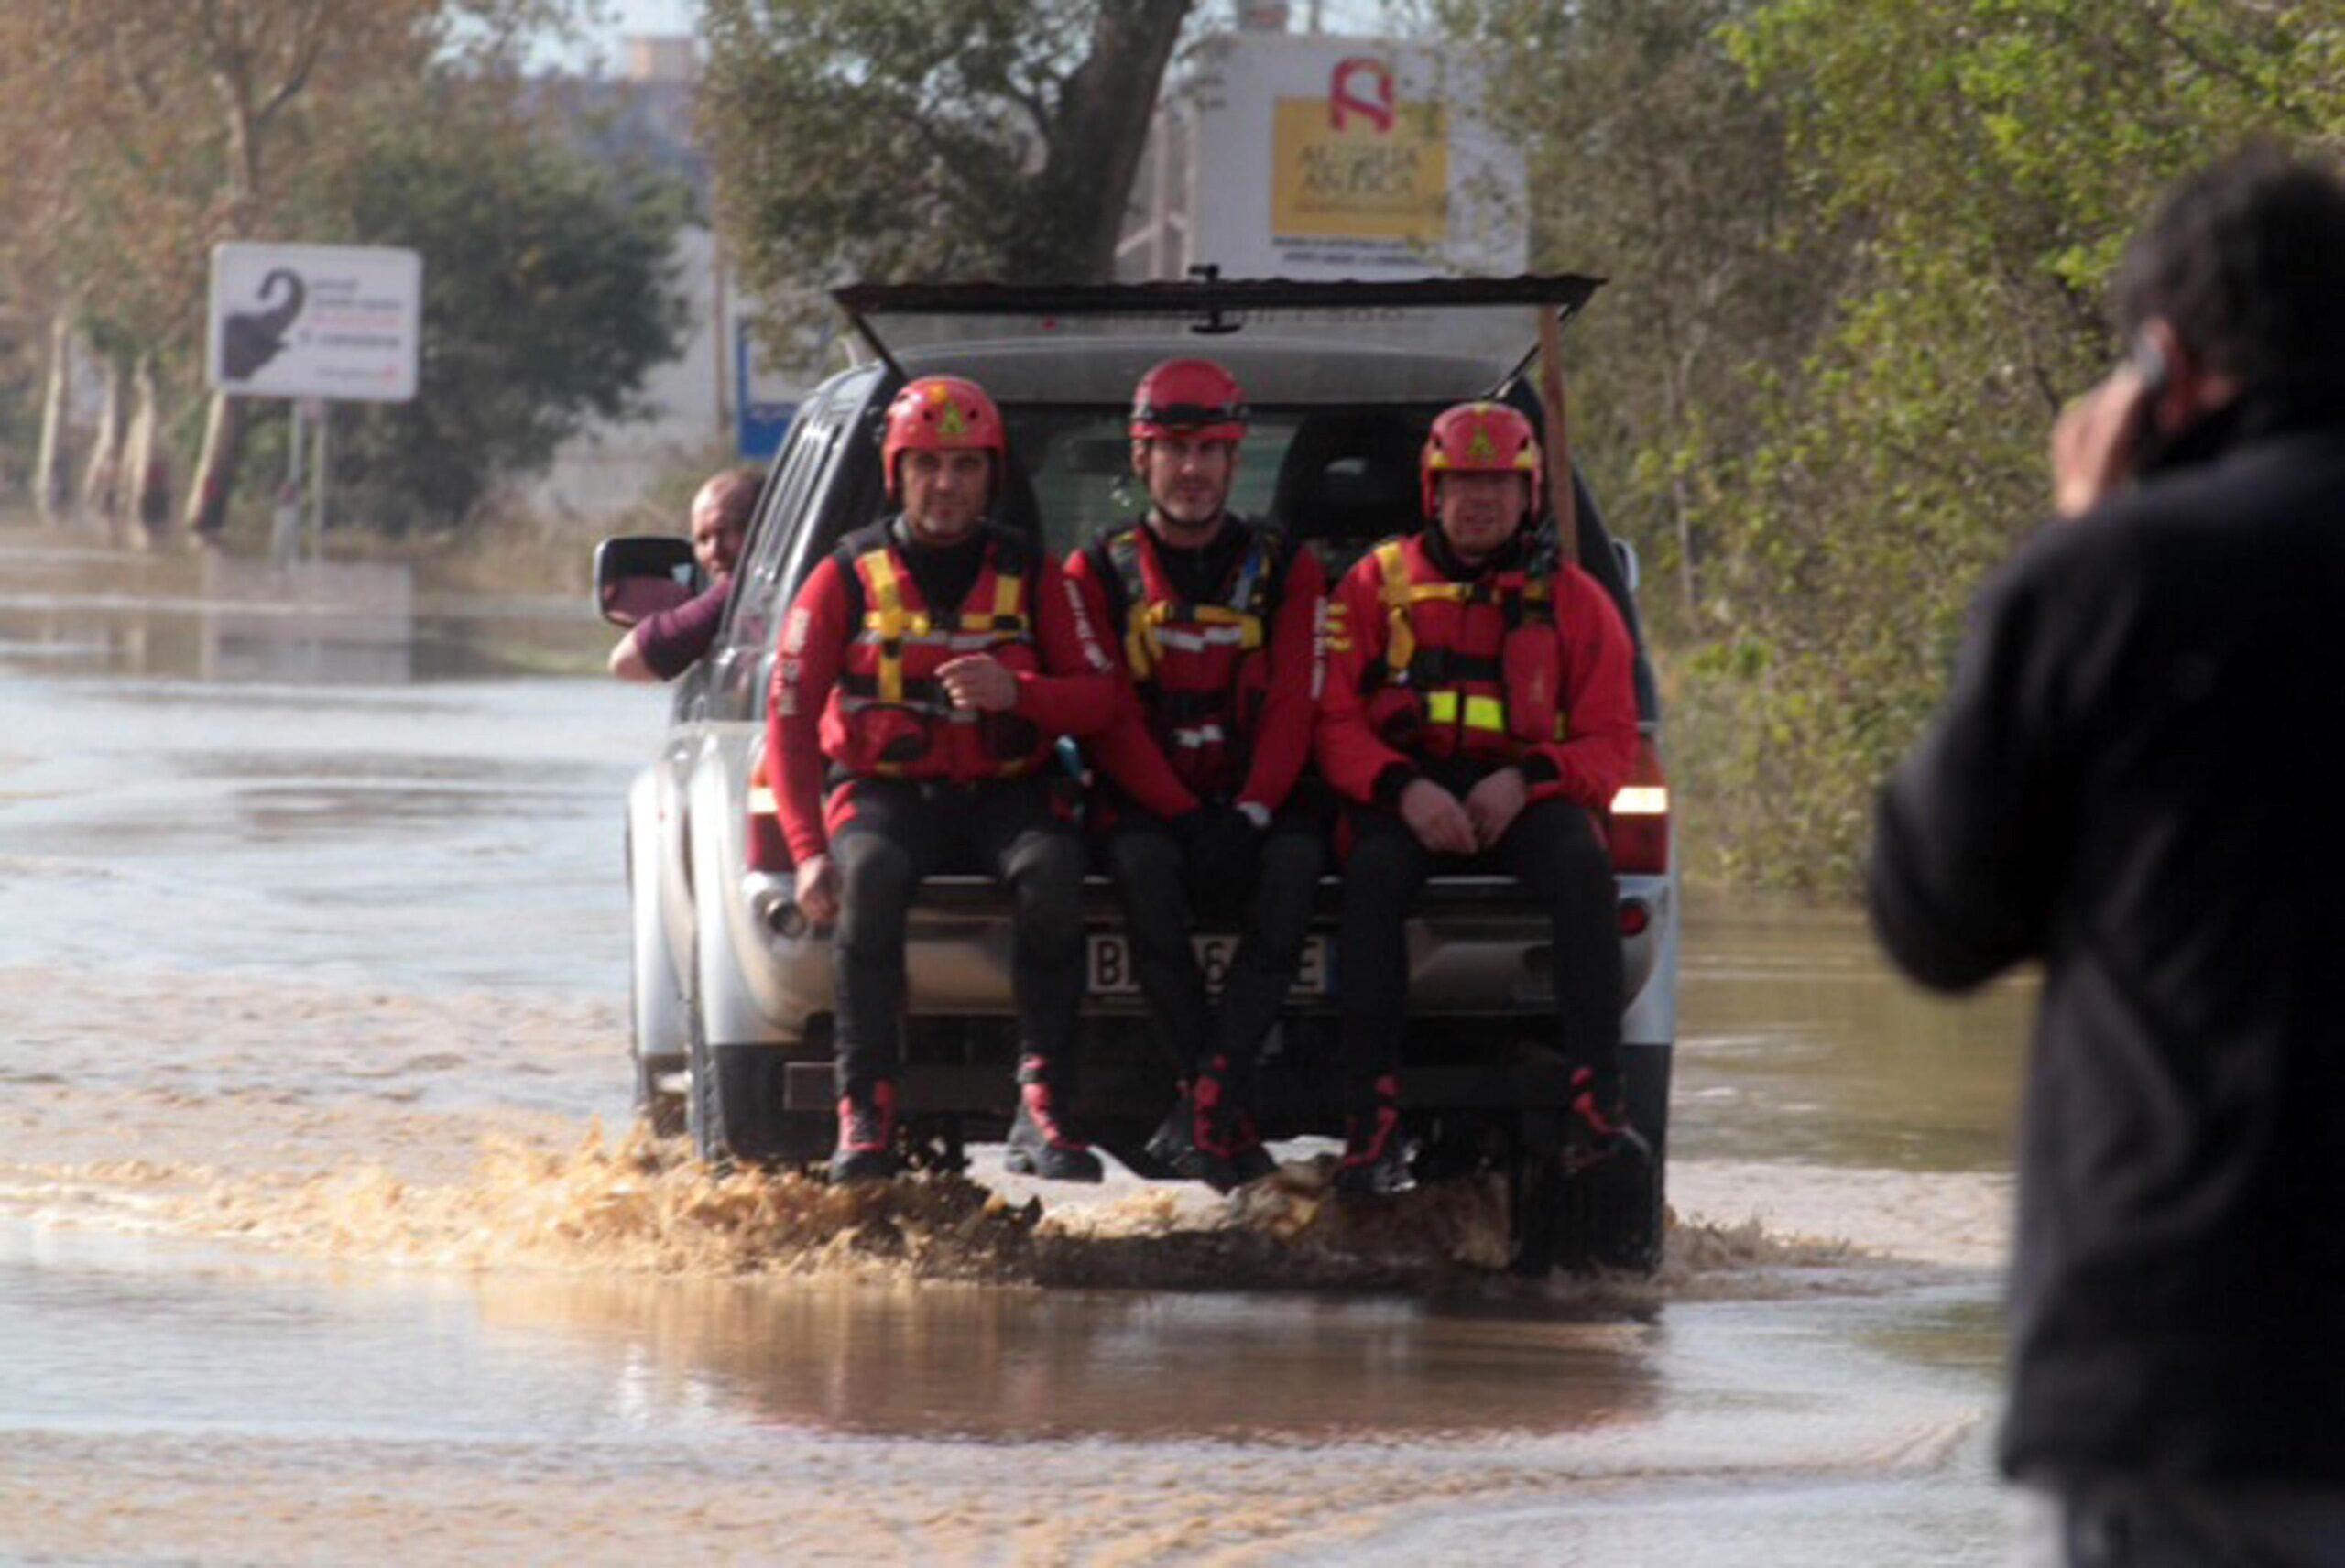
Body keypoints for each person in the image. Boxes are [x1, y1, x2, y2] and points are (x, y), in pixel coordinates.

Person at [1869, 147, 2345, 1563]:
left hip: (2190, 1368)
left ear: (2166, 359)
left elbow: (1935, 914)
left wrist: (2082, 528)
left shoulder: (2114, 584)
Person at [769, 376, 1120, 1184]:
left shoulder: (1035, 576)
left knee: (1053, 871)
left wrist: (1019, 694)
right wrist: (806, 849)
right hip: (887, 794)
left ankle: (1042, 1102)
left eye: (965, 466)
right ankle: (865, 1111)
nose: (946, 484)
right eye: (927, 464)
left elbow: (1099, 698)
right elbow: (788, 720)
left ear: (990, 476)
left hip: (1006, 789)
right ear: (897, 473)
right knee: (870, 874)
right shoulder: (845, 576)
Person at [1316, 400, 1642, 1194]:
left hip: (1523, 796)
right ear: (1434, 492)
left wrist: (1528, 781)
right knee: (1371, 881)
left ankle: (1597, 1101)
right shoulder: (1371, 586)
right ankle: (1373, 1122)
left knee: (1581, 862)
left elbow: (1611, 742)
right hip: (1409, 793)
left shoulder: (1577, 602)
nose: (1481, 500)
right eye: (1464, 483)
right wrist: (1404, 788)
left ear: (1529, 495)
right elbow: (1332, 721)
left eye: (1499, 482)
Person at [1063, 359, 1328, 1192]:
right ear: (1141, 460)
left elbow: (1295, 703)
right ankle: (1221, 1112)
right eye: (1173, 450)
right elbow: (1106, 714)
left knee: (1292, 875)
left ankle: (1209, 1100)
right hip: (1151, 804)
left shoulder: (1291, 568)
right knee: (1144, 876)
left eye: (1211, 450)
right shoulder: (1093, 572)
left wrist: (1251, 811)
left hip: (1260, 801)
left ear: (1234, 457)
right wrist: (1181, 814)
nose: (1192, 469)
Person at [608, 466, 762, 683]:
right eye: (703, 539)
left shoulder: (741, 590)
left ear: (764, 528)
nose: (714, 551)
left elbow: (627, 661)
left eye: (729, 530)